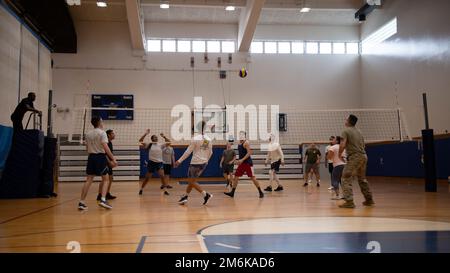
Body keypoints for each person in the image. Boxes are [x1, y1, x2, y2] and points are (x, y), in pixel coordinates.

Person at [78, 116, 117, 211]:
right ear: (99, 122)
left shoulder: (88, 134)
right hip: (100, 157)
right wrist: (113, 159)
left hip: (91, 157)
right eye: (102, 121)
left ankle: (81, 202)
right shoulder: (102, 133)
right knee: (106, 179)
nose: (103, 122)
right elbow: (105, 147)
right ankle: (103, 200)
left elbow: (87, 149)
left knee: (89, 180)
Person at [338, 114, 375, 208]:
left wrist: (339, 155)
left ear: (349, 121)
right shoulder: (359, 131)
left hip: (355, 157)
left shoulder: (345, 131)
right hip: (364, 156)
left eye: (346, 119)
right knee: (362, 179)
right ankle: (369, 200)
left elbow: (342, 144)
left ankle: (349, 201)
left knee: (345, 177)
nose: (344, 120)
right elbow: (363, 145)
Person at [174, 121, 213, 205]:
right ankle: (185, 196)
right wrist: (206, 162)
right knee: (192, 181)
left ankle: (206, 195)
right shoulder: (208, 139)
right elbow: (211, 153)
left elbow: (188, 152)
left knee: (191, 181)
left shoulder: (195, 138)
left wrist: (179, 161)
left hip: (195, 163)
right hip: (203, 163)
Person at [224, 131, 264, 198]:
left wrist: (242, 160)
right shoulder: (239, 142)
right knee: (236, 176)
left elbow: (249, 152)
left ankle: (260, 192)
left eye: (242, 135)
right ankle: (232, 193)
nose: (240, 136)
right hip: (242, 164)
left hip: (248, 163)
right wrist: (238, 160)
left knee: (252, 177)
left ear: (244, 135)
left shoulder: (246, 143)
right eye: (240, 134)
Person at [138, 130, 170, 196]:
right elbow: (140, 141)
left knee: (162, 176)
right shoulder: (149, 144)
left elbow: (169, 142)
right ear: (152, 139)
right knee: (147, 178)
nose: (156, 138)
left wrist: (164, 136)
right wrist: (145, 134)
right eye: (154, 137)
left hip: (159, 163)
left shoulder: (160, 144)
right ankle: (141, 189)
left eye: (156, 137)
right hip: (151, 163)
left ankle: (165, 190)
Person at [97, 129, 117, 201]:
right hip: (105, 163)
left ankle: (107, 193)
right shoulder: (106, 142)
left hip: (108, 163)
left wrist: (112, 161)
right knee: (104, 179)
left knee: (110, 178)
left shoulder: (110, 142)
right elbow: (105, 154)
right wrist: (110, 162)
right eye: (112, 133)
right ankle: (100, 195)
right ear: (108, 135)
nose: (114, 134)